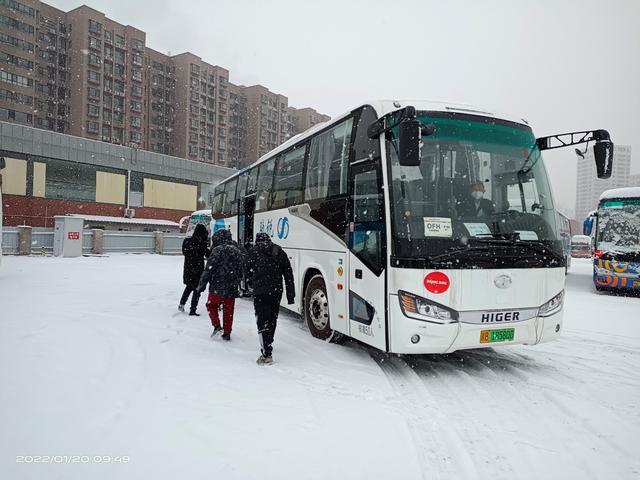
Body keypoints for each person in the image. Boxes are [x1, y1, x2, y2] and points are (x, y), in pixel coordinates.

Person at [243, 232, 295, 365]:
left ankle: (267, 353)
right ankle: (269, 341)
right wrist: (290, 295)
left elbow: (246, 270)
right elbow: (288, 274)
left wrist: (250, 283)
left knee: (262, 320)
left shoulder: (253, 251)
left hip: (260, 292)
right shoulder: (279, 252)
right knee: (272, 318)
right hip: (276, 291)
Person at [197, 229, 244, 340]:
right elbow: (241, 269)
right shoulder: (237, 250)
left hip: (216, 285)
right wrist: (237, 280)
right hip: (231, 286)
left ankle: (217, 326)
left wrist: (201, 285)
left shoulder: (217, 250)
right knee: (228, 310)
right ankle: (227, 333)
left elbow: (208, 270)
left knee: (211, 305)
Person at [179, 223, 210, 316]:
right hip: (198, 269)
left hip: (188, 268)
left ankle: (181, 304)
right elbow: (208, 254)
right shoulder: (201, 243)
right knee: (197, 289)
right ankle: (193, 309)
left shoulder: (187, 241)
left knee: (189, 287)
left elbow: (184, 252)